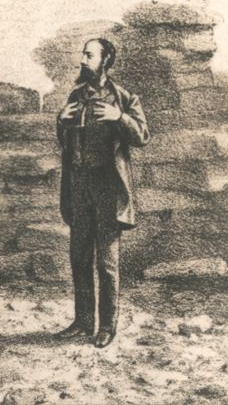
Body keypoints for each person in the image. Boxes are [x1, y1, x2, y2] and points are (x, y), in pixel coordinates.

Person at [55, 38, 150, 348]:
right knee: (79, 257)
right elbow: (65, 141)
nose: (83, 59)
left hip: (108, 188)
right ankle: (83, 322)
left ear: (105, 61)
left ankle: (106, 327)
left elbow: (142, 136)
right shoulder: (76, 96)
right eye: (83, 53)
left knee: (106, 264)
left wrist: (118, 117)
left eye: (89, 55)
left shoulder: (122, 96)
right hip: (79, 187)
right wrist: (62, 121)